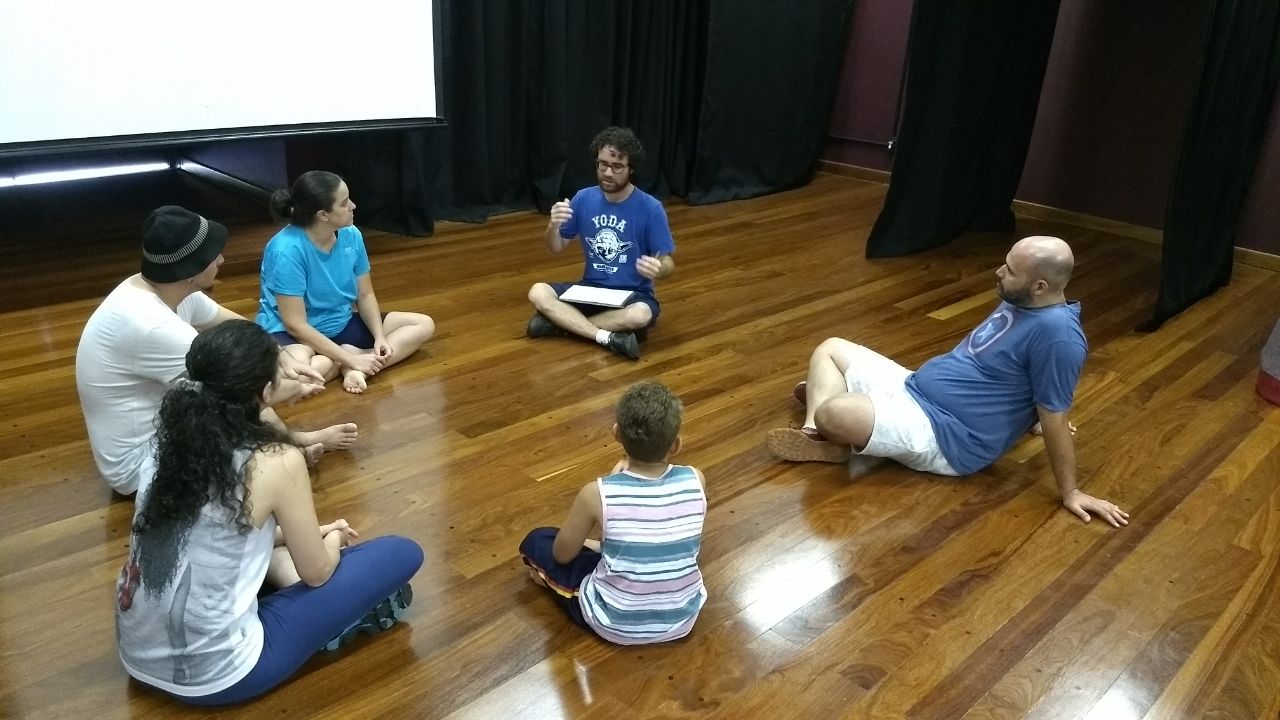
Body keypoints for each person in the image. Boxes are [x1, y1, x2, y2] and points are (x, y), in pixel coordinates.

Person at [115, 320, 424, 706]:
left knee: (277, 556)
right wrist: (331, 538)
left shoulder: (169, 442)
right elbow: (317, 573)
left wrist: (303, 533)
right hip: (223, 677)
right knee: (402, 552)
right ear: (264, 390)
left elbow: (211, 530)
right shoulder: (275, 460)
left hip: (137, 657)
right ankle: (337, 623)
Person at [766, 236, 1129, 527]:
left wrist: (1071, 492)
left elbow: (1055, 416)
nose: (999, 272)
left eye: (1010, 270)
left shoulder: (1059, 337)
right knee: (831, 348)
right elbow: (1018, 378)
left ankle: (832, 415)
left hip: (944, 435)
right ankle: (817, 436)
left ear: (1039, 286)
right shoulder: (1023, 301)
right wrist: (1027, 419)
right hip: (914, 388)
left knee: (834, 410)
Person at [76, 205, 358, 496]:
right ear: (190, 271)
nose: (221, 259)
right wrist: (292, 388)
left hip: (163, 426)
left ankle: (291, 442)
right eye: (213, 255)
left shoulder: (164, 288)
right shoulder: (154, 327)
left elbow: (238, 326)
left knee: (250, 385)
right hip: (140, 468)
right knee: (245, 411)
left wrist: (281, 355)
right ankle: (289, 447)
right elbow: (235, 398)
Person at [519, 381, 707, 644]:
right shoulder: (696, 479)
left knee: (538, 539)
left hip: (614, 621)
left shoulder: (595, 494)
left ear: (616, 433)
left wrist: (611, 484)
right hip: (683, 618)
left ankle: (548, 582)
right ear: (675, 445)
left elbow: (562, 555)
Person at [256, 171, 435, 394]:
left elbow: (365, 295)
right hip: (291, 333)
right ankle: (349, 361)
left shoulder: (351, 234)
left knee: (423, 325)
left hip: (339, 323)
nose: (353, 206)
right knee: (299, 373)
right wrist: (350, 358)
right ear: (323, 215)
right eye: (344, 203)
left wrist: (379, 337)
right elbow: (296, 325)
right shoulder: (286, 250)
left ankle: (355, 364)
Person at [527, 127, 676, 360]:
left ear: (631, 168)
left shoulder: (651, 208)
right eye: (602, 164)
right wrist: (553, 226)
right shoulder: (583, 198)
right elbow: (555, 247)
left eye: (617, 167)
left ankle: (561, 325)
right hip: (591, 289)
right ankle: (606, 335)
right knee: (538, 292)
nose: (607, 172)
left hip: (632, 294)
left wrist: (659, 269)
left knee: (640, 315)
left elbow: (667, 262)